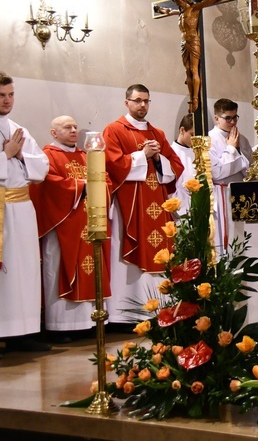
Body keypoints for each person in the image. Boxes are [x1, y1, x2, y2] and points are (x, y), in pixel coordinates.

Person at [103, 84, 184, 324]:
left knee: (160, 251)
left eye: (146, 101)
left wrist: (159, 158)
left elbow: (176, 165)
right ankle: (125, 315)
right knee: (128, 256)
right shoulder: (114, 130)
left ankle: (159, 310)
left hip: (156, 205)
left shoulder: (157, 133)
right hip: (129, 206)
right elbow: (112, 165)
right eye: (137, 101)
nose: (142, 106)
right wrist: (142, 156)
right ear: (126, 102)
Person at [29, 116, 111, 342]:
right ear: (54, 133)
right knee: (58, 269)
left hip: (89, 222)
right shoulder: (48, 155)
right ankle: (60, 326)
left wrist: (98, 186)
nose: (74, 130)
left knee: (92, 268)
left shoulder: (88, 156)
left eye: (75, 127)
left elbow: (106, 181)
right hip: (63, 225)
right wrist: (80, 186)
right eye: (67, 127)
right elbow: (47, 184)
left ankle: (89, 322)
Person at [0, 72, 51, 354]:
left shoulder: (19, 129)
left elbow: (41, 168)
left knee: (24, 270)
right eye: (2, 95)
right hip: (1, 209)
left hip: (21, 208)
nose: (7, 101)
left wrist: (20, 155)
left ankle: (23, 331)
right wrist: (5, 154)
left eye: (11, 95)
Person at [153, 0, 230, 114]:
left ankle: (195, 99)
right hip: (184, 42)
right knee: (187, 70)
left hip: (193, 40)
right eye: (177, 3)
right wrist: (159, 9)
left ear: (184, 0)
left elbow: (208, 1)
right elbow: (168, 11)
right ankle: (191, 98)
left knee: (194, 69)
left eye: (179, 2)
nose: (178, 5)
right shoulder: (180, 13)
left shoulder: (194, 9)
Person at [208, 98, 252, 255]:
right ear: (217, 118)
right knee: (225, 241)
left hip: (239, 193)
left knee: (239, 238)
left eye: (235, 117)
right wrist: (231, 149)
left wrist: (238, 149)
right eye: (228, 118)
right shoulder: (210, 140)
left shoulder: (243, 139)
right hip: (221, 195)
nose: (232, 122)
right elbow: (217, 173)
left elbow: (249, 170)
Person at [170, 113, 196, 216]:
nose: (195, 139)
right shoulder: (171, 152)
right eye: (192, 135)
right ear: (182, 130)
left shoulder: (198, 152)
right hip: (179, 206)